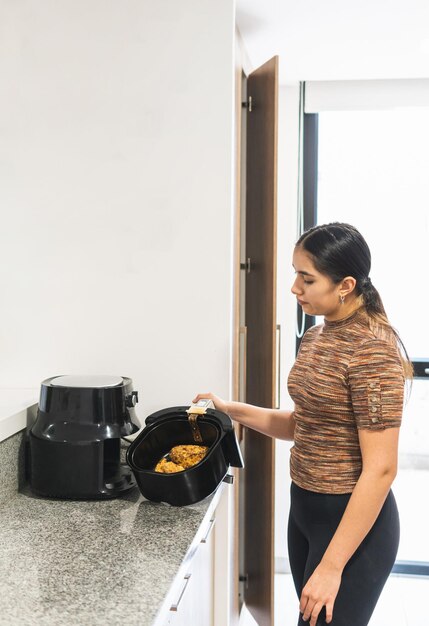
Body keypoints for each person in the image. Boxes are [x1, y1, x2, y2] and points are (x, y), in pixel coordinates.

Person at [193, 222, 412, 626]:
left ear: (345, 284)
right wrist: (230, 410)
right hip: (306, 510)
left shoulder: (372, 351)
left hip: (351, 523)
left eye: (306, 278)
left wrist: (331, 568)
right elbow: (302, 424)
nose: (295, 287)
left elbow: (381, 470)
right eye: (296, 273)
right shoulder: (317, 337)